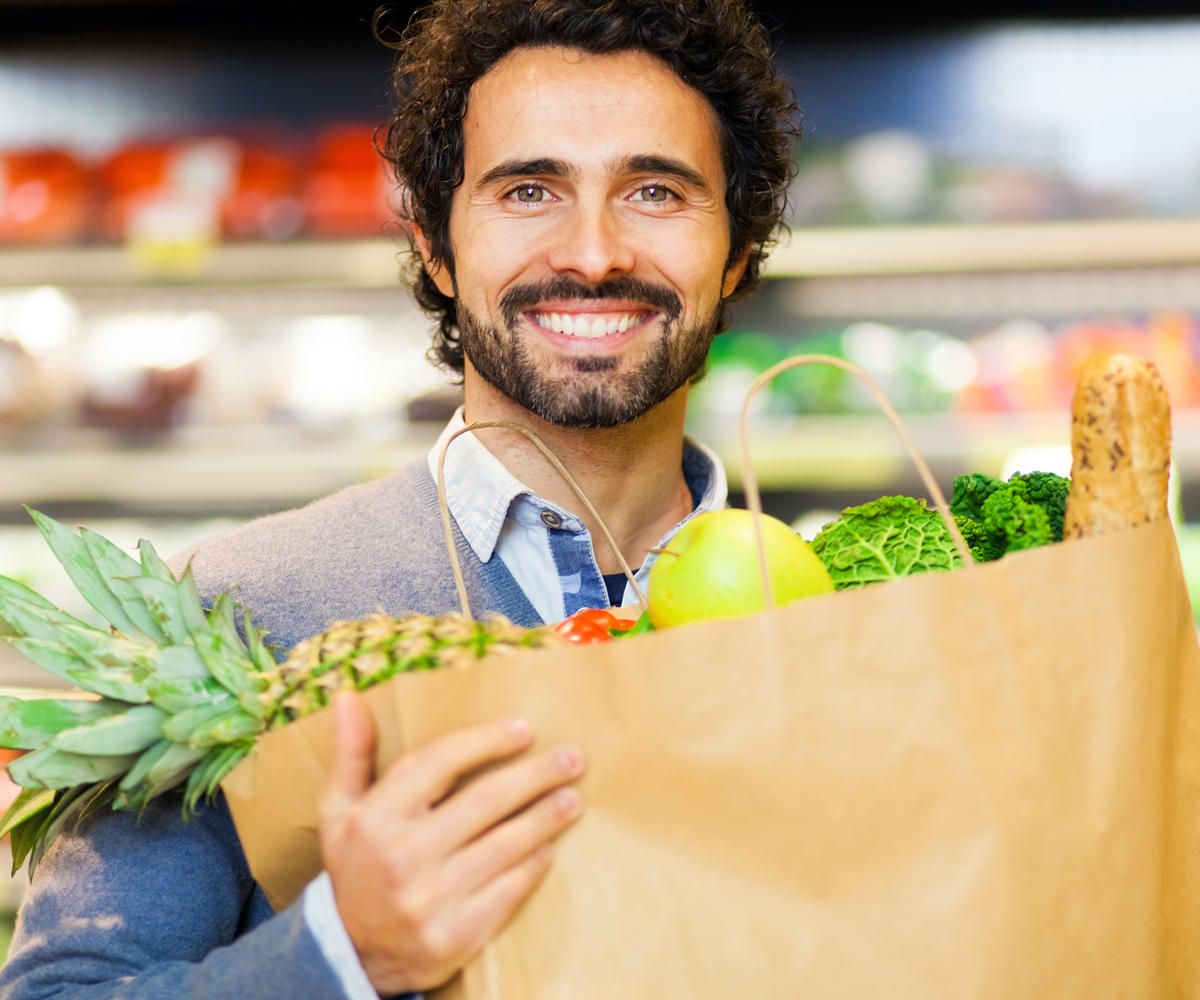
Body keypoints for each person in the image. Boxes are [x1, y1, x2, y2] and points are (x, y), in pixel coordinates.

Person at [0, 1, 800, 996]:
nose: (593, 252)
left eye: (654, 190)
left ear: (735, 251)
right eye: (528, 192)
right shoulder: (239, 610)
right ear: (435, 245)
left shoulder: (845, 616)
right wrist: (343, 953)